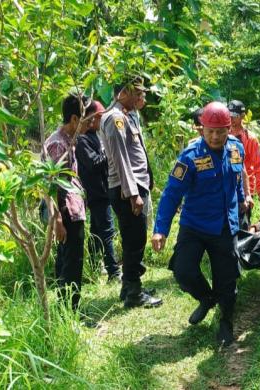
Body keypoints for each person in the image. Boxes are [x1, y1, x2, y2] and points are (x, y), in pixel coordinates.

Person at [152, 102, 247, 346]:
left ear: (229, 129)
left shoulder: (237, 148)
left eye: (220, 131)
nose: (215, 136)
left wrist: (243, 198)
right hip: (194, 224)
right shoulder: (190, 156)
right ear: (201, 130)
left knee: (227, 280)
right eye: (210, 131)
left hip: (225, 225)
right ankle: (206, 298)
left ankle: (225, 322)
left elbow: (236, 179)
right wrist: (160, 230)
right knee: (183, 270)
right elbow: (171, 194)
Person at [101, 76, 162, 309]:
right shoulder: (115, 118)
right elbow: (121, 159)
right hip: (128, 189)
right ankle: (134, 294)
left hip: (135, 186)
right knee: (135, 241)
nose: (142, 97)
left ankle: (129, 287)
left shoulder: (127, 116)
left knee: (132, 239)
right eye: (137, 92)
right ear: (122, 93)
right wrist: (133, 193)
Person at [44, 94, 88, 310]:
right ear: (73, 119)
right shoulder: (57, 145)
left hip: (74, 209)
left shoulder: (70, 141)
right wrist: (57, 219)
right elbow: (49, 186)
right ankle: (69, 312)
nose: (86, 124)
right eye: (84, 119)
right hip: (66, 212)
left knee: (71, 263)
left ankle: (69, 310)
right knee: (70, 265)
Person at [76, 100, 122, 282]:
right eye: (99, 117)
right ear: (91, 118)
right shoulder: (82, 140)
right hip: (96, 192)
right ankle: (114, 272)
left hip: (103, 190)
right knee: (107, 231)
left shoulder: (96, 136)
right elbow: (93, 163)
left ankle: (94, 267)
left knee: (97, 231)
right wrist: (109, 152)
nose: (102, 120)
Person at [228, 100, 260, 229]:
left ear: (242, 116)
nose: (231, 118)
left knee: (243, 223)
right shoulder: (224, 135)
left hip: (246, 186)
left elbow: (258, 165)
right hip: (228, 183)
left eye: (235, 116)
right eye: (229, 115)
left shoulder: (250, 138)